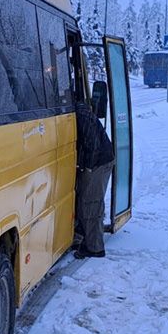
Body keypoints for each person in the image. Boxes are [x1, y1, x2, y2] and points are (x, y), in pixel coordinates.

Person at [73, 100, 115, 259]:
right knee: (86, 201)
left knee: (91, 203)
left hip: (99, 163)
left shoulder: (81, 115)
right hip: (96, 161)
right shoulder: (80, 112)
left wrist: (87, 167)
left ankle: (95, 248)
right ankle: (85, 238)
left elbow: (93, 144)